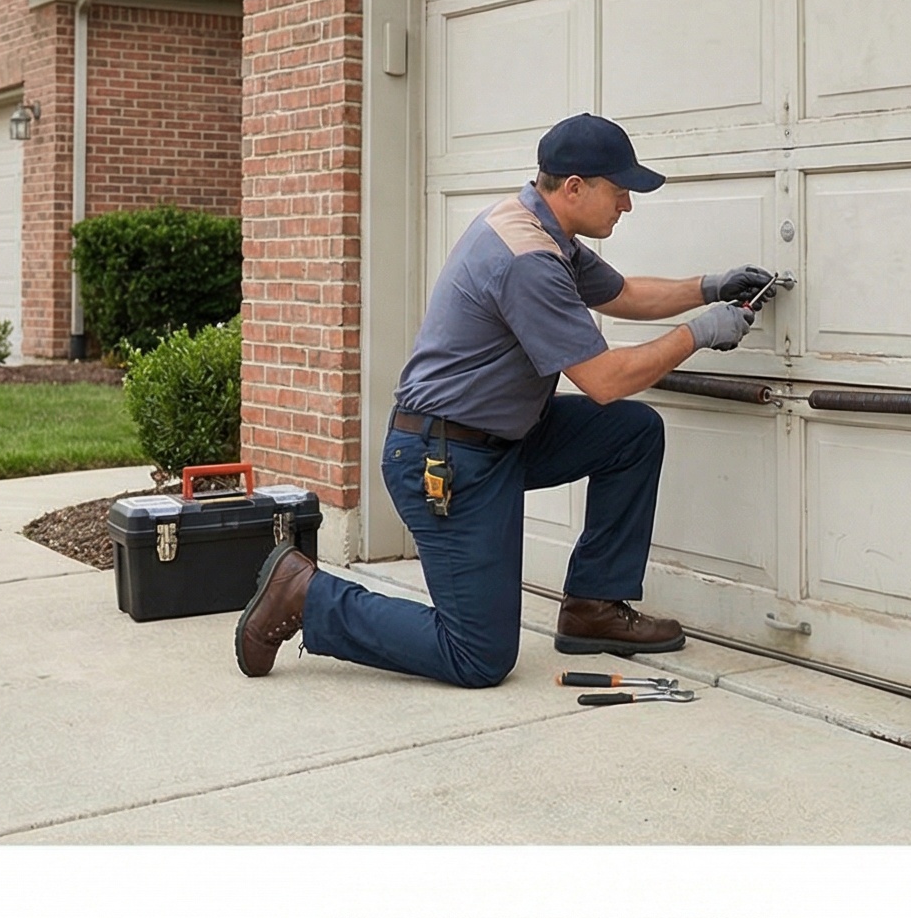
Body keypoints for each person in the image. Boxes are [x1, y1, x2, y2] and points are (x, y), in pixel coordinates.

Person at [234, 112, 783, 687]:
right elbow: (604, 379)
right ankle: (307, 595)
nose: (627, 206)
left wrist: (711, 286)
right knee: (478, 655)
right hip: (444, 461)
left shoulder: (541, 226)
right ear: (575, 187)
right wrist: (700, 332)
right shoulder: (529, 260)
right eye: (619, 192)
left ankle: (592, 608)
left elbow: (619, 293)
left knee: (631, 433)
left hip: (505, 438)